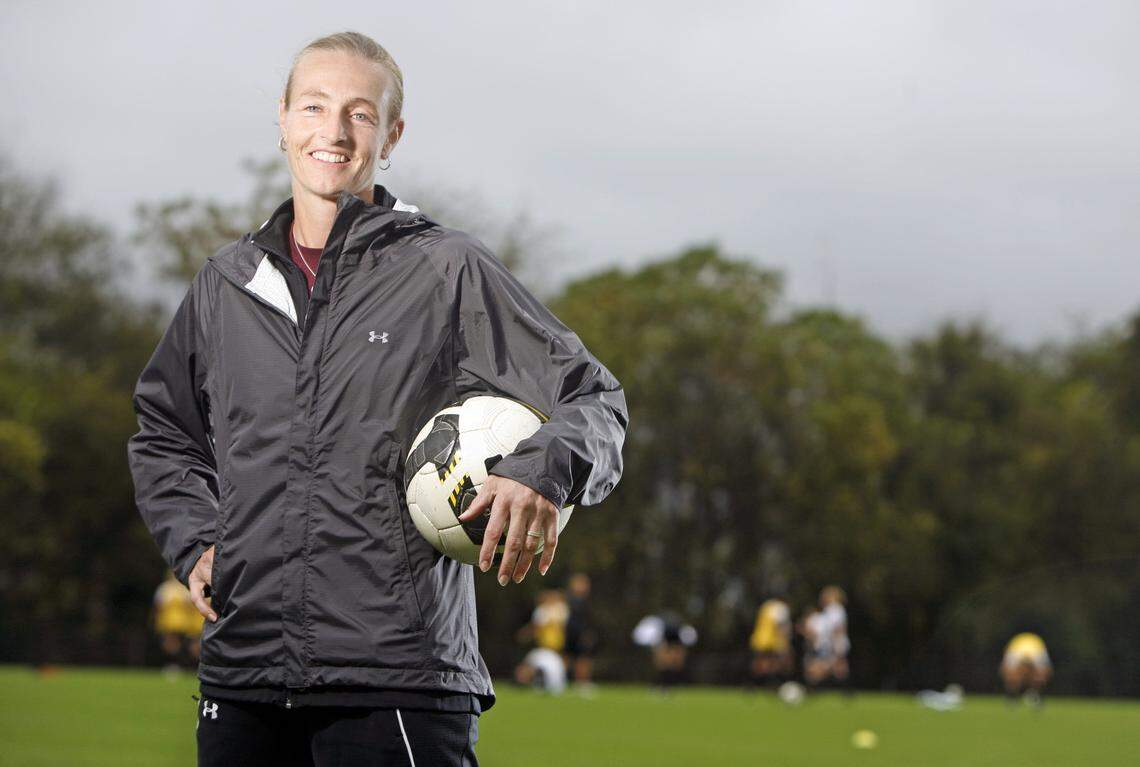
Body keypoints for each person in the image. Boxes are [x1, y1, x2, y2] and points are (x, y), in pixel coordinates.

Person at [127, 31, 627, 766]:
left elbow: (596, 399)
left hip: (396, 676)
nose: (333, 131)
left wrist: (540, 472)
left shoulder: (443, 269)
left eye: (359, 114)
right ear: (283, 120)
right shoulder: (226, 283)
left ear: (391, 135)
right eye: (314, 107)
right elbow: (164, 430)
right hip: (244, 675)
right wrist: (196, 537)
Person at [153, 570, 205, 673]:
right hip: (171, 622)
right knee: (173, 645)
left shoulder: (181, 588)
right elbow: (158, 606)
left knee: (188, 645)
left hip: (183, 623)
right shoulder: (165, 588)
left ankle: (188, 666)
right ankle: (176, 665)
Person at [563, 573, 599, 693]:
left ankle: (582, 684)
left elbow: (590, 620)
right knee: (566, 659)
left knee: (583, 660)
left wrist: (589, 634)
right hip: (568, 633)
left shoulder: (588, 601)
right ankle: (560, 681)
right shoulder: (567, 600)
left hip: (582, 634)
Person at [748, 596, 792, 690]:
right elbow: (780, 625)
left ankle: (752, 686)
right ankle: (773, 686)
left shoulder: (767, 606)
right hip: (772, 640)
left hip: (759, 638)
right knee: (776, 664)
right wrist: (785, 642)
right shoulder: (781, 608)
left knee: (760, 664)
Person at [1000, 632, 1052, 707]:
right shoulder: (1018, 646)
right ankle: (1012, 696)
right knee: (1013, 677)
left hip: (1033, 652)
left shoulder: (1036, 646)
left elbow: (1045, 670)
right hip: (1020, 651)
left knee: (1039, 676)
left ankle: (1034, 694)